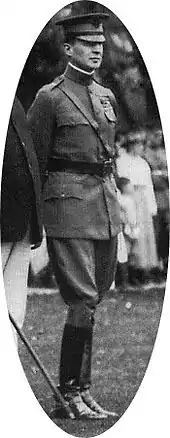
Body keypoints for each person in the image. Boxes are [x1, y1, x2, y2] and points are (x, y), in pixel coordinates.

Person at [27, 8, 121, 420]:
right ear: (68, 48)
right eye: (88, 44)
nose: (97, 50)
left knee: (94, 300)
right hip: (66, 207)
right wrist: (33, 218)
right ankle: (69, 394)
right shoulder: (50, 97)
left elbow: (109, 157)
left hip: (103, 205)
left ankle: (82, 391)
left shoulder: (105, 95)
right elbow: (32, 161)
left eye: (101, 44)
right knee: (82, 300)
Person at [1, 96, 43, 346]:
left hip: (24, 219)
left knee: (16, 308)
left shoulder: (14, 101)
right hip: (4, 219)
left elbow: (29, 160)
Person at [116, 131, 159, 284]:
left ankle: (145, 269)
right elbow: (121, 183)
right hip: (129, 199)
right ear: (132, 146)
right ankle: (132, 270)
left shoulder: (143, 163)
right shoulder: (122, 161)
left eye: (142, 145)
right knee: (132, 235)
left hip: (143, 201)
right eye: (138, 145)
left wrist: (151, 206)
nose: (141, 148)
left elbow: (148, 186)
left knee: (145, 236)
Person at [116, 177, 140, 289]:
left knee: (128, 254)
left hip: (129, 227)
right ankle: (124, 282)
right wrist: (131, 230)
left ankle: (129, 279)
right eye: (129, 185)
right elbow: (129, 217)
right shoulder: (125, 200)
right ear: (124, 187)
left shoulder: (126, 199)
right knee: (124, 254)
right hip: (127, 228)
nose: (131, 188)